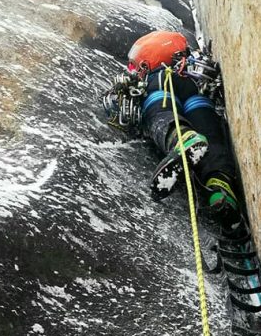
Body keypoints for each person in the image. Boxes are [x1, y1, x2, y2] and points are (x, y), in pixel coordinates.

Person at [102, 30, 245, 233]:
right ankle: (220, 190)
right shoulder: (194, 71)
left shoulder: (156, 76)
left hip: (162, 88)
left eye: (136, 64)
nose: (133, 69)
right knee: (213, 139)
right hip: (198, 94)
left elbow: (140, 109)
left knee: (160, 115)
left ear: (148, 61)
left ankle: (181, 139)